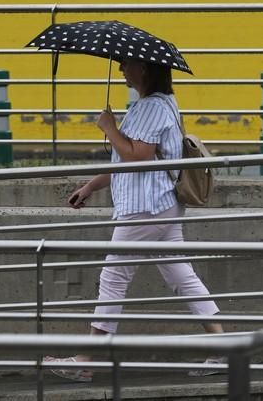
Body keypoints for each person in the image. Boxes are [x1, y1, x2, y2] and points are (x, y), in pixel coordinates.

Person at [44, 58, 225, 382]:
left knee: (114, 277)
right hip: (160, 205)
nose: (121, 70)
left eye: (125, 64)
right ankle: (224, 349)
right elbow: (126, 158)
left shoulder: (152, 107)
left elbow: (137, 157)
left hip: (144, 207)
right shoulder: (160, 103)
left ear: (144, 68)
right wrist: (89, 187)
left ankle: (86, 361)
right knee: (182, 276)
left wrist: (109, 127)